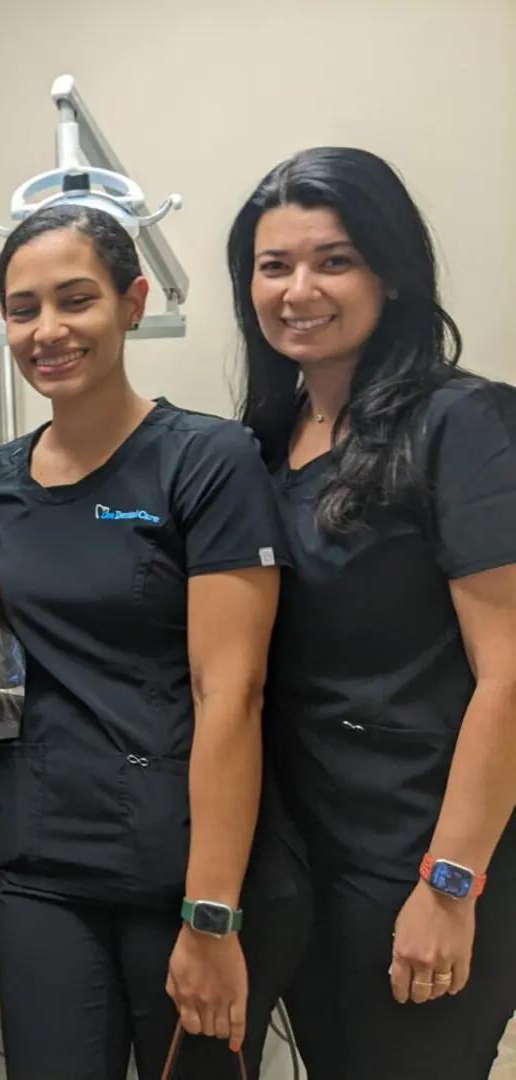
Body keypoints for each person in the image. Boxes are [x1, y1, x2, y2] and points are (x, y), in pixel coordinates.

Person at [0, 205, 310, 1079]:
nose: (49, 331)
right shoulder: (0, 474)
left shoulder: (207, 462)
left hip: (179, 860)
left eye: (77, 300)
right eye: (24, 309)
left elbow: (234, 693)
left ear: (134, 302)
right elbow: (0, 577)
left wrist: (212, 914)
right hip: (41, 855)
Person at [229, 146, 516, 1079]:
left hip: (421, 843)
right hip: (305, 842)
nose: (298, 289)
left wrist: (450, 883)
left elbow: (509, 674)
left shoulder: (459, 426)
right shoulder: (264, 444)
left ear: (390, 274)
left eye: (333, 259)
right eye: (274, 266)